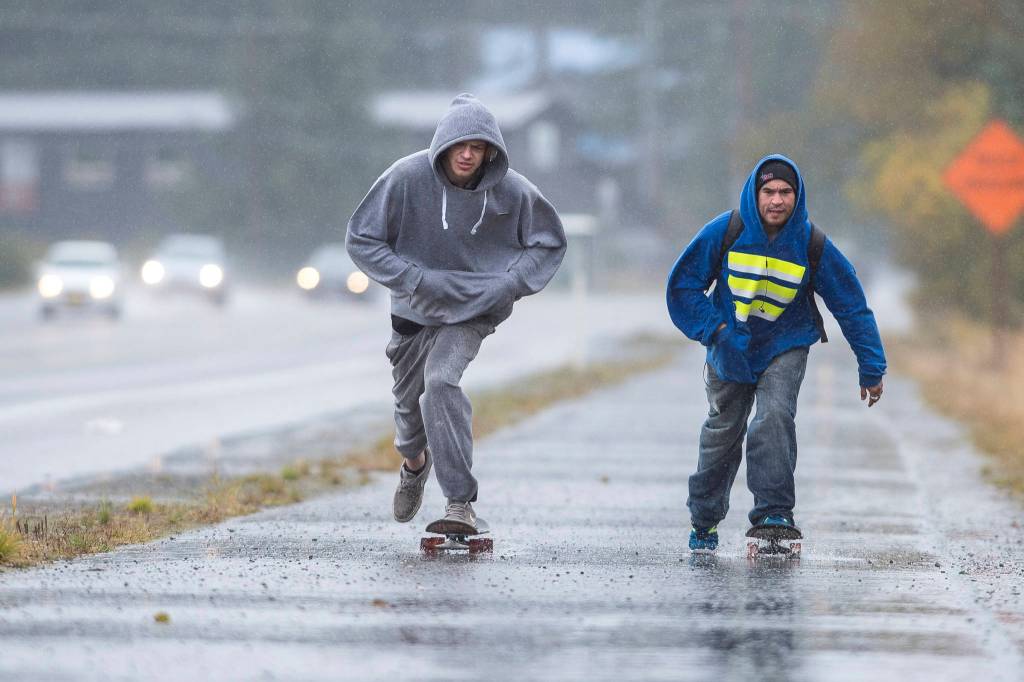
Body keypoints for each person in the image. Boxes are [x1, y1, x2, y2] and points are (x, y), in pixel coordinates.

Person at [346, 93, 566, 535]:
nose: (468, 154)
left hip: (474, 311)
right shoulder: (405, 178)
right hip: (415, 311)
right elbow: (361, 239)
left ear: (491, 152)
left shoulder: (514, 191)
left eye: (479, 147)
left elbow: (550, 242)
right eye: (460, 145)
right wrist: (412, 278)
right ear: (443, 145)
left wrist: (509, 283)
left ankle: (459, 503)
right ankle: (415, 464)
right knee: (410, 422)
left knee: (441, 383)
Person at [666, 154, 886, 553]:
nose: (777, 200)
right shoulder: (727, 230)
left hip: (786, 344)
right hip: (729, 347)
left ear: (797, 197)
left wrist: (871, 366)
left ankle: (773, 514)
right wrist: (715, 329)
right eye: (768, 191)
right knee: (723, 433)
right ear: (756, 193)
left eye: (786, 192)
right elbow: (682, 286)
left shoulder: (811, 242)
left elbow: (851, 305)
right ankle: (704, 518)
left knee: (774, 417)